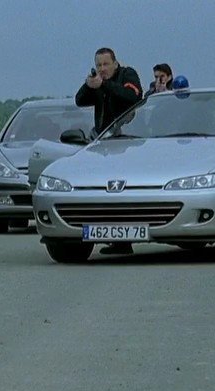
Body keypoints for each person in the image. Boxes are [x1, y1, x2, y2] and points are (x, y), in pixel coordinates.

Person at [75, 47, 143, 255]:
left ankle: (124, 240)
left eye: (105, 64)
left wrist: (104, 85)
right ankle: (114, 238)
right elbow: (80, 100)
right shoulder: (99, 81)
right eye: (98, 65)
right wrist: (90, 84)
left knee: (124, 193)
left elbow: (132, 96)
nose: (102, 69)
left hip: (127, 142)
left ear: (115, 63)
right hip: (103, 144)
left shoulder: (127, 75)